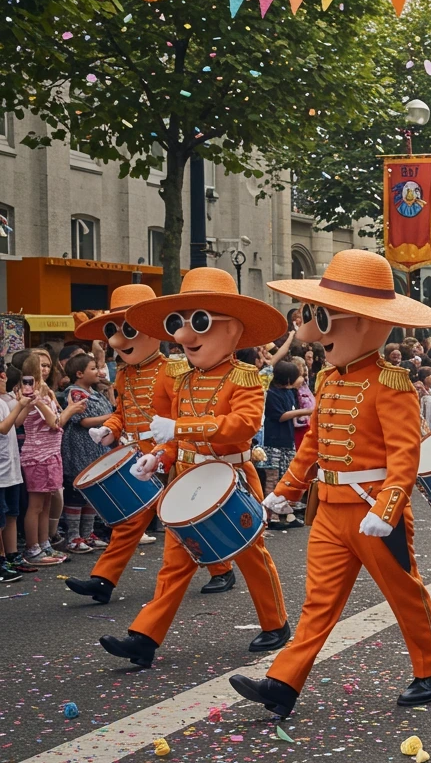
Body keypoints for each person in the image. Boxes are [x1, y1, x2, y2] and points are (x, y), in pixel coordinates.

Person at [230, 249, 431, 718]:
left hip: (372, 509)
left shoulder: (391, 383)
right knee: (318, 602)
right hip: (329, 507)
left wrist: (387, 509)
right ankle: (283, 683)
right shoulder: (329, 379)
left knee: (404, 593)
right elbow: (314, 446)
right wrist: (286, 489)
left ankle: (430, 670)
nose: (315, 334)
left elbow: (404, 456)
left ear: (365, 324)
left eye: (324, 318)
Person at [97, 267, 291, 668]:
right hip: (186, 478)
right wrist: (160, 456)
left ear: (233, 331)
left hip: (232, 477)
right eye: (177, 324)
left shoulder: (246, 377)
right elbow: (177, 439)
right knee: (175, 560)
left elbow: (243, 427)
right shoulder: (182, 379)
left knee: (252, 555)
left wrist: (178, 429)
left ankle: (276, 623)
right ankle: (145, 638)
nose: (184, 336)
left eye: (199, 322)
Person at [66, 284, 239, 602]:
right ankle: (103, 580)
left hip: (168, 452)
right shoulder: (124, 374)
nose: (118, 340)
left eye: (129, 329)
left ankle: (222, 568)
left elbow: (184, 414)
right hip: (134, 455)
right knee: (131, 522)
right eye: (113, 331)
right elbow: (121, 412)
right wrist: (109, 428)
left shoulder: (172, 371)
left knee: (185, 513)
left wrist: (172, 450)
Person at [19, 351, 82, 567]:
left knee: (46, 503)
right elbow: (55, 422)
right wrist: (72, 409)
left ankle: (44, 543)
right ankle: (32, 548)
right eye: (40, 366)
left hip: (52, 453)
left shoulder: (47, 392)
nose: (44, 369)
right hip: (37, 454)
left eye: (47, 365)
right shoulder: (30, 393)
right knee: (36, 505)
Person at [60, 353, 113, 553]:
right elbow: (82, 421)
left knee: (92, 492)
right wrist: (112, 416)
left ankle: (88, 533)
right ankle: (74, 536)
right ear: (79, 373)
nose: (98, 372)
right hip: (80, 449)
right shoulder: (75, 392)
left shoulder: (95, 392)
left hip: (96, 450)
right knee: (77, 492)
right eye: (93, 368)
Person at [262, 360, 309, 530]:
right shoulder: (272, 394)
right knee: (272, 478)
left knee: (286, 479)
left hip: (287, 440)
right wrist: (305, 412)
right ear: (287, 379)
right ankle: (270, 517)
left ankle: (288, 514)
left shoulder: (290, 392)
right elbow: (280, 416)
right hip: (273, 441)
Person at [0, 369, 33, 581]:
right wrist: (20, 405)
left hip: (10, 467)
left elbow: (15, 422)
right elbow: (3, 428)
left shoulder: (3, 402)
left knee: (12, 513)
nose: (3, 378)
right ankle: (1, 560)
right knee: (0, 518)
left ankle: (11, 555)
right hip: (1, 471)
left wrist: (26, 406)